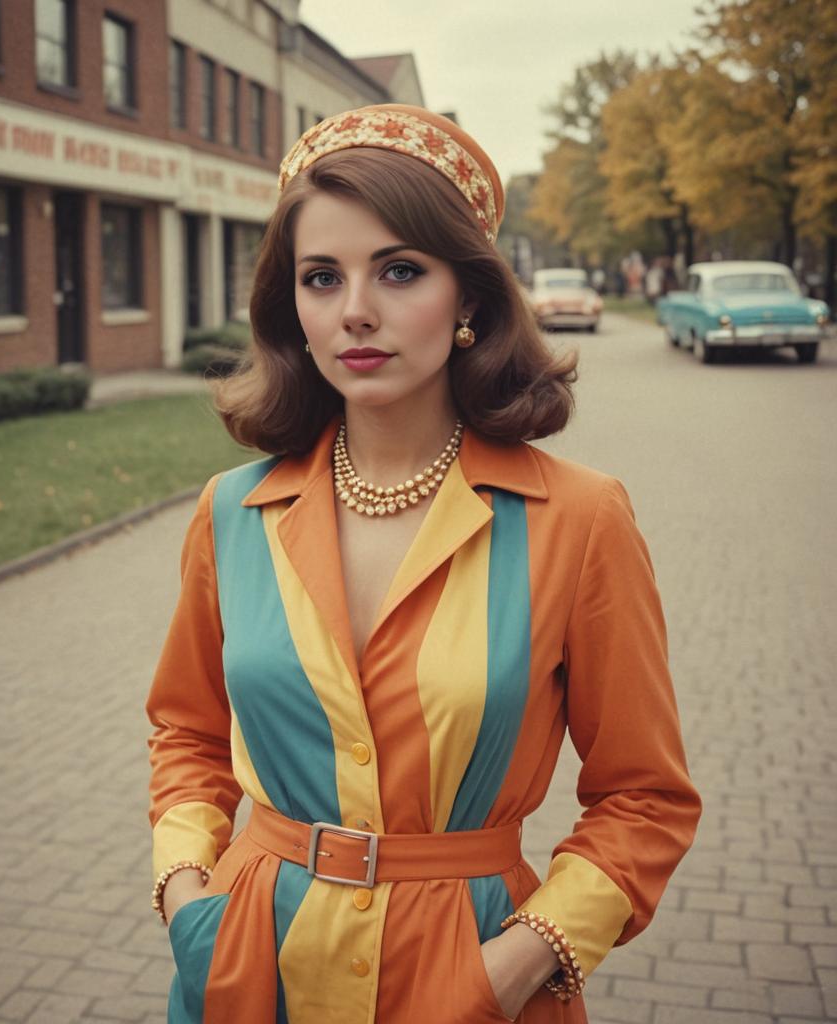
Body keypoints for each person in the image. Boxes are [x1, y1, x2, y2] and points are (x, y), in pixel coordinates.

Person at [145, 103, 701, 1024]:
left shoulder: (580, 519)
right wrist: (185, 896)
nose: (355, 310)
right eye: (322, 277)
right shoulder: (231, 513)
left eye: (399, 270)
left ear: (471, 298)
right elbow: (187, 732)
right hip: (247, 966)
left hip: (466, 974)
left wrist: (517, 965)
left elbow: (644, 797)